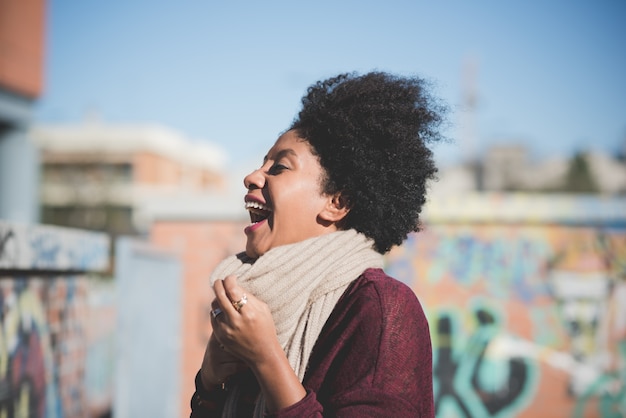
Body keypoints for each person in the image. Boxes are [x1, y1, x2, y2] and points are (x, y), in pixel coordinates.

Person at [190, 71, 445, 417]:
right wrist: (209, 383)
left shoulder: (380, 308)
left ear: (336, 203)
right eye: (262, 163)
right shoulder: (257, 313)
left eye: (279, 168)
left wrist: (267, 357)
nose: (251, 176)